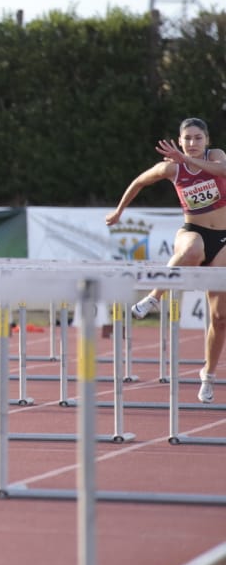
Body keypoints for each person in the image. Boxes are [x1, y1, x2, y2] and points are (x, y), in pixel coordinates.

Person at [106, 117, 226, 404]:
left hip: (223, 238)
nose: (193, 143)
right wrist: (119, 212)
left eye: (198, 138)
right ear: (180, 139)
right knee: (191, 250)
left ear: (206, 140)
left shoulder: (216, 156)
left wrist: (186, 157)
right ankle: (154, 296)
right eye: (188, 138)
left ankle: (207, 375)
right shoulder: (171, 168)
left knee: (220, 318)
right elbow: (138, 182)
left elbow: (223, 170)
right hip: (192, 231)